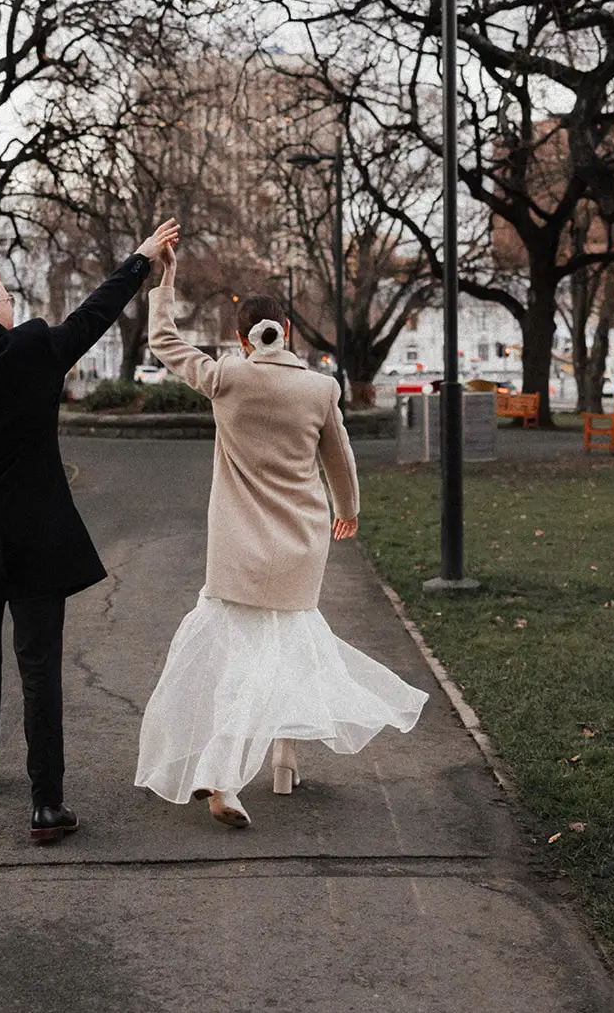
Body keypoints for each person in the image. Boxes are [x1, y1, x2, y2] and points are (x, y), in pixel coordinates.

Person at [0, 219, 180, 843]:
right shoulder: (32, 351)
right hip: (38, 534)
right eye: (7, 298)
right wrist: (138, 260)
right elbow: (94, 314)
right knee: (39, 668)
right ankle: (47, 806)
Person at [134, 241, 428, 828]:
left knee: (240, 658)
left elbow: (163, 343)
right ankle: (279, 764)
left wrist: (164, 282)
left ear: (244, 336)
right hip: (300, 541)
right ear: (287, 331)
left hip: (238, 543)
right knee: (283, 651)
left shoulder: (225, 379)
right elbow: (339, 461)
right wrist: (349, 508)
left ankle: (221, 778)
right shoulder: (321, 390)